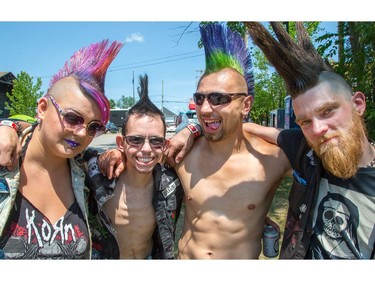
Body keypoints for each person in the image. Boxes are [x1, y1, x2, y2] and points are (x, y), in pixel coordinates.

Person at [99, 23, 291, 259]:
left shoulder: (274, 159)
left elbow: (319, 152)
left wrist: (250, 127)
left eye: (218, 98)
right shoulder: (182, 155)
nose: (206, 108)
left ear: (246, 105)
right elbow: (141, 153)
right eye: (200, 98)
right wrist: (114, 155)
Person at [243, 22, 375, 259]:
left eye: (327, 111)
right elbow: (262, 130)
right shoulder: (307, 152)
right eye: (304, 121)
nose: (318, 129)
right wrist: (192, 129)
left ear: (358, 104)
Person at [0, 39, 123, 259]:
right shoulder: (4, 159)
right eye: (72, 118)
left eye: (94, 126)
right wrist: (9, 124)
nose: (82, 133)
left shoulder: (87, 173)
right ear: (42, 108)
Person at [84, 74, 184, 259]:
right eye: (136, 140)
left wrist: (194, 130)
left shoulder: (172, 182)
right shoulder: (98, 175)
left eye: (156, 141)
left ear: (165, 145)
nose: (146, 149)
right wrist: (12, 127)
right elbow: (67, 152)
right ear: (121, 143)